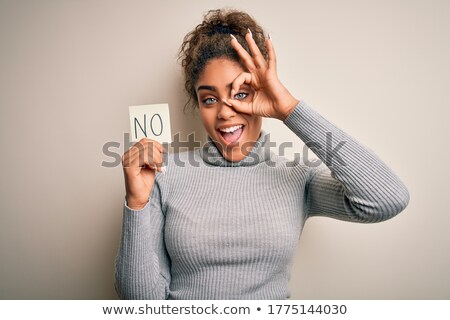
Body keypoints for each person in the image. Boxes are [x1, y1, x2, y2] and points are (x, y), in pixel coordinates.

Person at [114, 8, 409, 300]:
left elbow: (386, 200)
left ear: (262, 92)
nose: (225, 112)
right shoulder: (164, 174)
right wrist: (137, 203)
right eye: (210, 98)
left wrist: (289, 109)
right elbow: (140, 303)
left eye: (240, 93)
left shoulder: (297, 175)